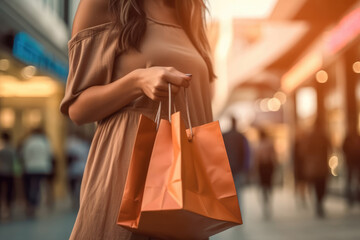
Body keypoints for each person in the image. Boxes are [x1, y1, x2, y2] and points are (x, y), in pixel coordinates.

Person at [59, 0, 215, 239]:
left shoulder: (189, 11)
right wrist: (137, 81)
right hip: (125, 175)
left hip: (183, 180)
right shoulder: (103, 5)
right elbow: (78, 108)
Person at [21, 127, 53, 217]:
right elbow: (50, 154)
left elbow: (24, 155)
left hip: (30, 167)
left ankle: (32, 204)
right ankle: (36, 203)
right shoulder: (45, 142)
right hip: (43, 167)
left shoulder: (28, 141)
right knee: (38, 186)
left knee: (32, 186)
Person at [222, 116, 250, 209]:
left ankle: (230, 211)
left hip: (226, 168)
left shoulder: (224, 135)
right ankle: (238, 212)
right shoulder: (241, 136)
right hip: (238, 169)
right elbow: (246, 153)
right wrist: (245, 168)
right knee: (237, 192)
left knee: (227, 193)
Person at [302, 125, 330, 218]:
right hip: (319, 165)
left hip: (316, 166)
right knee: (321, 185)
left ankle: (319, 202)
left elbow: (304, 150)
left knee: (317, 185)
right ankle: (319, 202)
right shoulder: (322, 137)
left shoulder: (311, 137)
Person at [255, 129, 276, 219]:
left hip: (262, 167)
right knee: (268, 185)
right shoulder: (270, 143)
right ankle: (268, 202)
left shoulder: (259, 145)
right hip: (269, 166)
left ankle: (265, 202)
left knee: (264, 186)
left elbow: (257, 158)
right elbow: (274, 155)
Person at [0, 132, 16, 220]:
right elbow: (14, 160)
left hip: (2, 171)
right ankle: (8, 207)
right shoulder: (11, 148)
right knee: (9, 191)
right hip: (9, 172)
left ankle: (4, 206)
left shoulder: (1, 147)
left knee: (2, 191)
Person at [342, 130, 360, 208]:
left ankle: (354, 196)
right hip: (352, 162)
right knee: (351, 180)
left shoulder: (351, 137)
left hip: (355, 162)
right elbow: (343, 148)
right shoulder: (348, 138)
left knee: (354, 180)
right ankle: (350, 197)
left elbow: (343, 148)